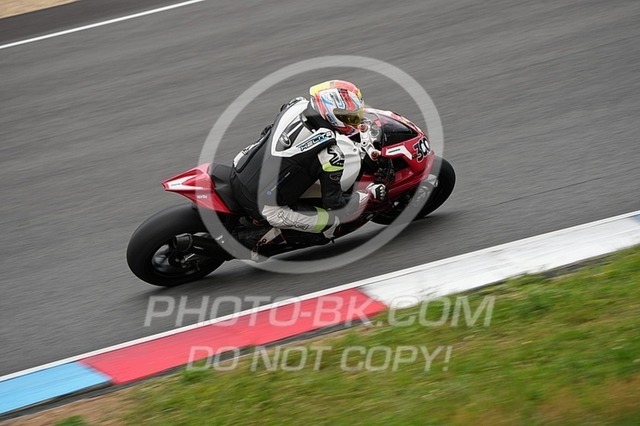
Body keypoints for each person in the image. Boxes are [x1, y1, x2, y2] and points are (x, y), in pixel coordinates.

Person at [230, 80, 387, 248]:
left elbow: (267, 131)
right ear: (332, 115)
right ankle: (250, 242)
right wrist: (368, 195)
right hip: (264, 206)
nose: (354, 121)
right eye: (350, 117)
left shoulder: (295, 105)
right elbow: (335, 204)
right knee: (332, 223)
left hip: (239, 167)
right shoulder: (330, 155)